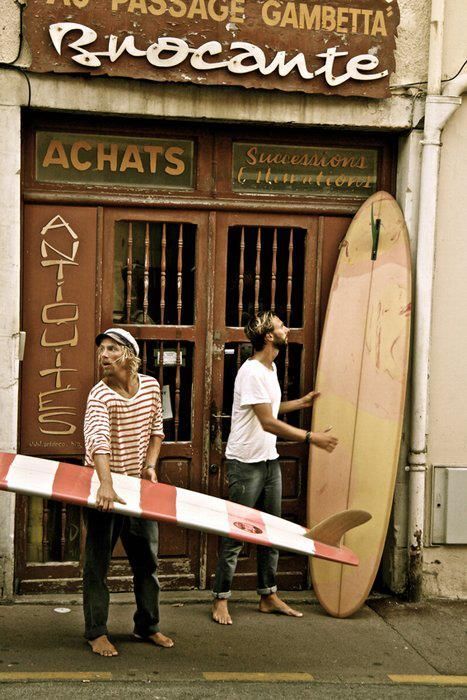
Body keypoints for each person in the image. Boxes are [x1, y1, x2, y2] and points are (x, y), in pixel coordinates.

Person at [211, 311, 338, 625]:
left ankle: (267, 595)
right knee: (237, 532)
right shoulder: (252, 371)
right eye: (281, 325)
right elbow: (267, 422)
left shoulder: (270, 368)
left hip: (268, 460)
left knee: (271, 530)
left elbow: (270, 407)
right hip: (245, 462)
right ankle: (220, 599)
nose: (287, 328)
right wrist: (311, 438)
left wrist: (301, 403)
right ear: (268, 336)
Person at [83, 327, 174, 657]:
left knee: (147, 562)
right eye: (101, 349)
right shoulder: (99, 395)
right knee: (97, 564)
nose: (103, 355)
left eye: (111, 348)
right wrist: (106, 485)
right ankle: (96, 632)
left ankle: (147, 625)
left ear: (129, 355)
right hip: (103, 488)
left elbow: (157, 430)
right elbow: (98, 441)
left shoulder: (150, 387)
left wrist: (150, 466)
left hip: (136, 488)